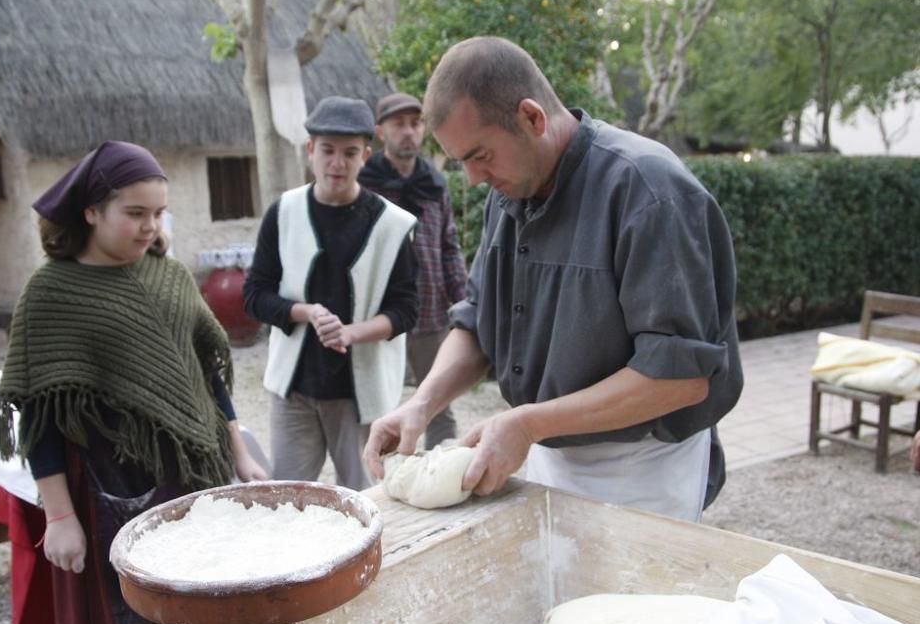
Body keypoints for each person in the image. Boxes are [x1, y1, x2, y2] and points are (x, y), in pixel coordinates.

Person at [364, 37, 744, 522]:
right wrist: (422, 404)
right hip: (547, 449)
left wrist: (526, 423)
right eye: (462, 161)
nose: (474, 178)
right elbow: (479, 320)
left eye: (480, 155)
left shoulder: (648, 190)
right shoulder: (511, 190)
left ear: (531, 117)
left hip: (643, 467)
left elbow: (680, 379)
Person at [0, 141, 267, 624]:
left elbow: (205, 370)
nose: (150, 226)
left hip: (187, 479)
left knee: (193, 611)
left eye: (159, 213)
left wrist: (238, 450)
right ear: (91, 211)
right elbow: (39, 414)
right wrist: (58, 517)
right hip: (107, 491)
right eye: (135, 213)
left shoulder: (168, 275)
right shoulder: (51, 292)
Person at [244, 96, 418, 490]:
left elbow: (406, 310)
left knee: (367, 502)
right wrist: (306, 313)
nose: (337, 163)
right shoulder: (283, 212)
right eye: (327, 151)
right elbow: (255, 294)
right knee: (286, 499)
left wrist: (351, 333)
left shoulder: (392, 225)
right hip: (295, 389)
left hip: (362, 395)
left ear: (365, 156)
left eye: (349, 153)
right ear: (311, 150)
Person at [358, 92, 468, 449]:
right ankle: (384, 486)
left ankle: (447, 475)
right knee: (378, 408)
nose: (408, 132)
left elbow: (449, 247)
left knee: (437, 404)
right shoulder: (363, 185)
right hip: (380, 316)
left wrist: (465, 303)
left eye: (416, 123)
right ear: (380, 131)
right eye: (398, 124)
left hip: (431, 314)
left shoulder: (435, 185)